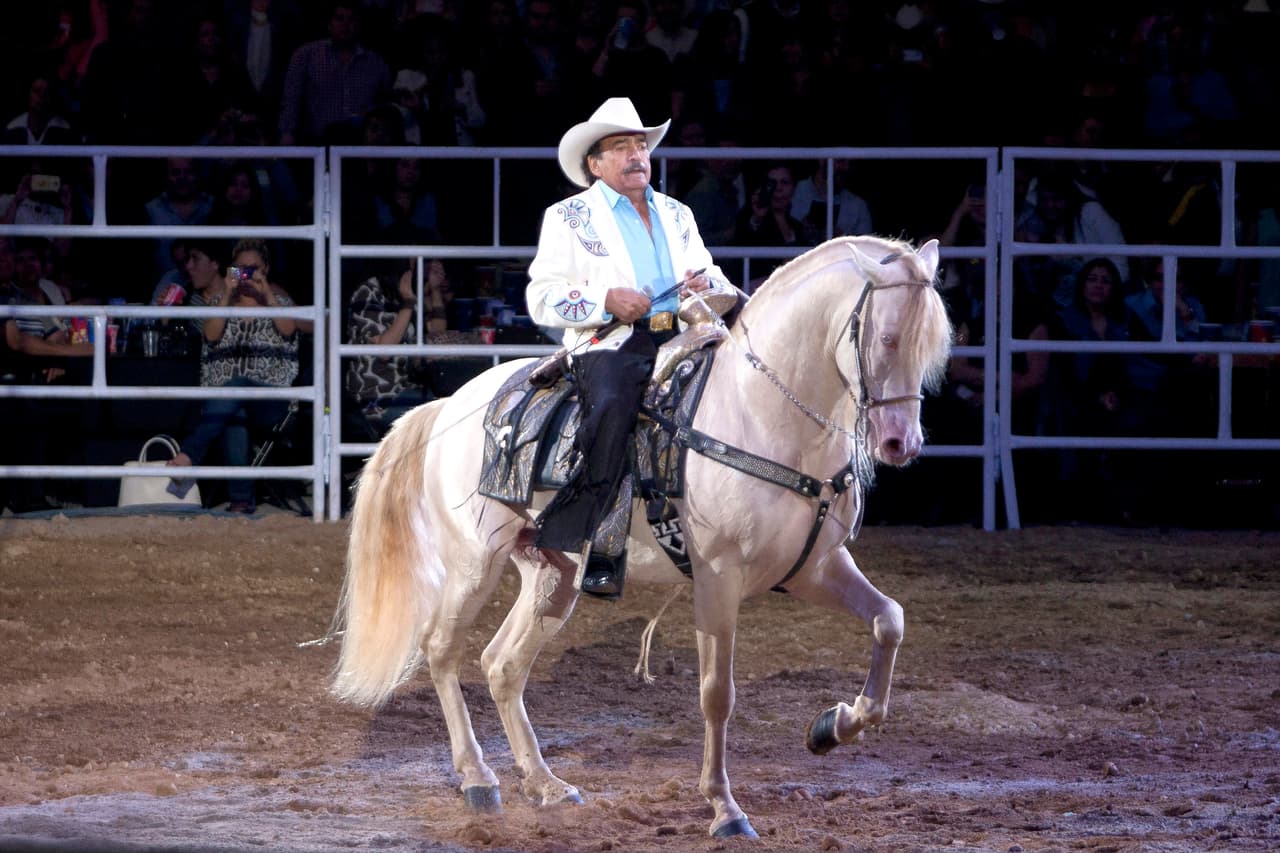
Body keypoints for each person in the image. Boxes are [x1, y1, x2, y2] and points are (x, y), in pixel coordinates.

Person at [525, 96, 736, 598]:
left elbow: (714, 274)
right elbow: (541, 297)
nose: (636, 154)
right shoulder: (569, 216)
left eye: (640, 144)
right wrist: (606, 300)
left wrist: (707, 286)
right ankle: (603, 538)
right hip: (611, 342)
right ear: (595, 165)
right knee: (615, 407)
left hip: (685, 332)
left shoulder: (678, 213)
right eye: (620, 146)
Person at [166, 238, 303, 514]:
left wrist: (268, 296)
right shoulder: (219, 302)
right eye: (242, 269)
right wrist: (228, 294)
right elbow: (211, 334)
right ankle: (241, 502)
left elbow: (289, 329)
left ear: (266, 268)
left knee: (236, 389)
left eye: (255, 269)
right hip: (224, 403)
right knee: (234, 409)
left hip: (271, 401)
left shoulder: (280, 303)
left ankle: (189, 454)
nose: (248, 275)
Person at [344, 258, 443, 435]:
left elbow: (437, 331)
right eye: (412, 265)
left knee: (446, 408)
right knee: (436, 418)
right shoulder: (368, 291)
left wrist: (435, 290)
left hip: (405, 386)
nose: (416, 270)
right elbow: (384, 350)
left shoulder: (406, 293)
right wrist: (407, 304)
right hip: (376, 395)